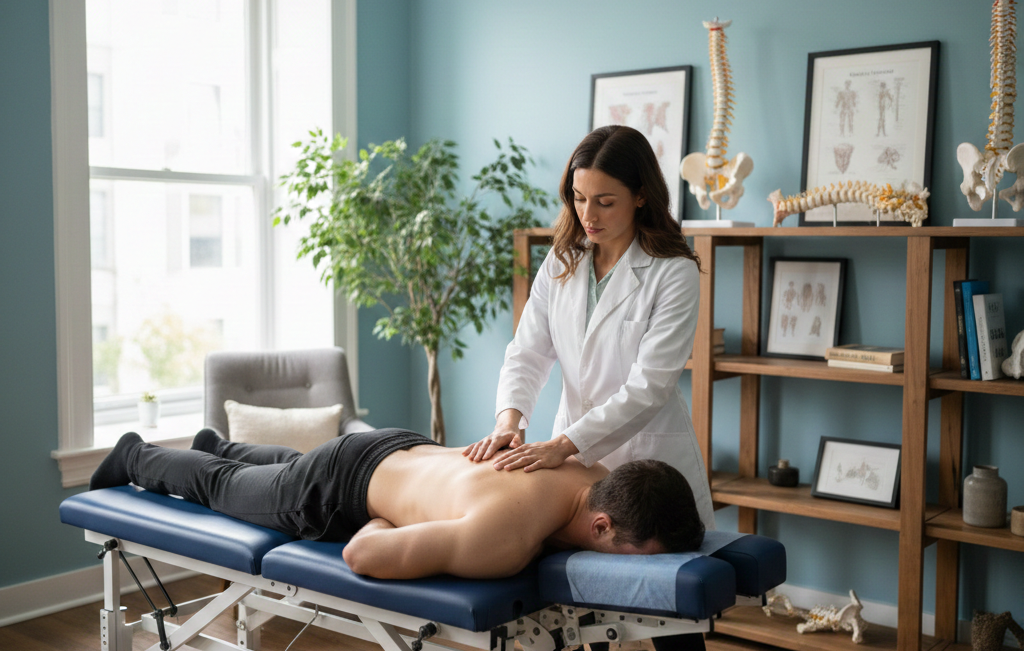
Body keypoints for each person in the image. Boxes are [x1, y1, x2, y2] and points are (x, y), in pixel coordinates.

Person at [464, 125, 715, 531]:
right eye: (579, 198)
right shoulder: (563, 259)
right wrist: (509, 423)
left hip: (646, 462)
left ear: (641, 196)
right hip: (572, 462)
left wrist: (564, 445)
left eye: (605, 202)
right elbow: (527, 352)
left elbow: (650, 386)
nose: (588, 215)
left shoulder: (674, 272)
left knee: (650, 558)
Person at [90, 428, 705, 581]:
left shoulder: (586, 466)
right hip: (339, 491)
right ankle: (135, 455)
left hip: (398, 444)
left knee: (280, 469)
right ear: (602, 524)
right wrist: (387, 515)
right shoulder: (504, 541)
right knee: (223, 487)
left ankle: (219, 444)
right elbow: (362, 555)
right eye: (639, 557)